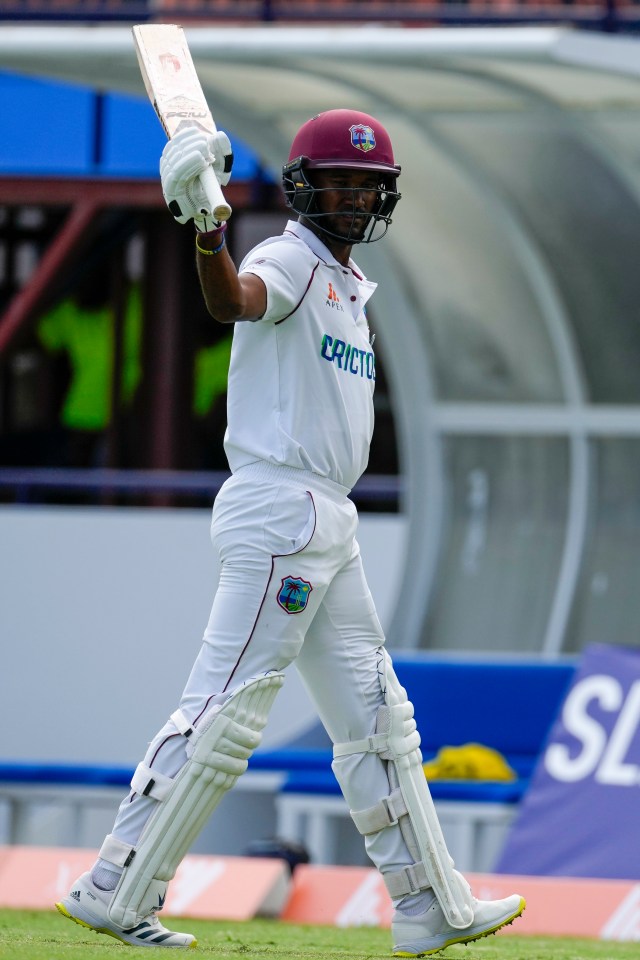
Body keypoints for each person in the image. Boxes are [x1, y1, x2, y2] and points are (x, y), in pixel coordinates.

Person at [56, 109, 525, 954]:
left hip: (324, 520)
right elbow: (232, 300)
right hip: (281, 509)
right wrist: (207, 229)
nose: (354, 199)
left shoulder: (348, 286)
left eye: (369, 186)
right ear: (307, 189)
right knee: (228, 711)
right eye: (340, 183)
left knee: (380, 720)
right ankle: (114, 889)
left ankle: (430, 905)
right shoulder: (288, 259)